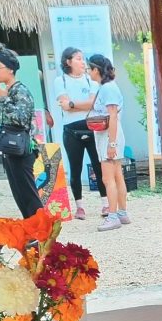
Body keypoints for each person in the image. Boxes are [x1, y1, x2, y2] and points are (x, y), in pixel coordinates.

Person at [0, 43, 44, 218]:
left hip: (22, 149)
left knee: (28, 193)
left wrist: (1, 95)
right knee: (19, 193)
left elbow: (20, 118)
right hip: (9, 147)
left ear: (10, 69)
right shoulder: (6, 90)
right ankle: (32, 229)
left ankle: (42, 230)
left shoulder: (20, 90)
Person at [54, 47, 109, 220]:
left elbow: (90, 104)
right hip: (71, 130)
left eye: (83, 58)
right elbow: (63, 102)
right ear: (68, 61)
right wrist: (74, 104)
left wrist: (71, 104)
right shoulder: (60, 80)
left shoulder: (91, 81)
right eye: (78, 58)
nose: (82, 62)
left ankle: (105, 203)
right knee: (75, 168)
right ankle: (79, 206)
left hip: (91, 127)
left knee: (98, 166)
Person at [86, 54, 129, 232]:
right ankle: (121, 212)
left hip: (109, 137)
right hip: (110, 135)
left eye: (90, 69)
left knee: (107, 177)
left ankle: (112, 216)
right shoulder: (107, 87)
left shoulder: (107, 89)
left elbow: (111, 115)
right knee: (117, 175)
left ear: (97, 70)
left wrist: (111, 144)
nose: (88, 72)